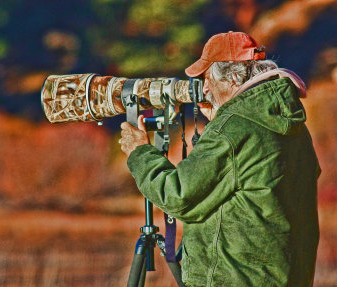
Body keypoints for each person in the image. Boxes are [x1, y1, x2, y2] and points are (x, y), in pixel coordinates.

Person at [120, 31, 320, 287]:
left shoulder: (233, 130)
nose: (203, 89)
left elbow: (177, 194)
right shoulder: (291, 124)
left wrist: (139, 152)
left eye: (205, 78)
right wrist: (220, 121)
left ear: (232, 77)